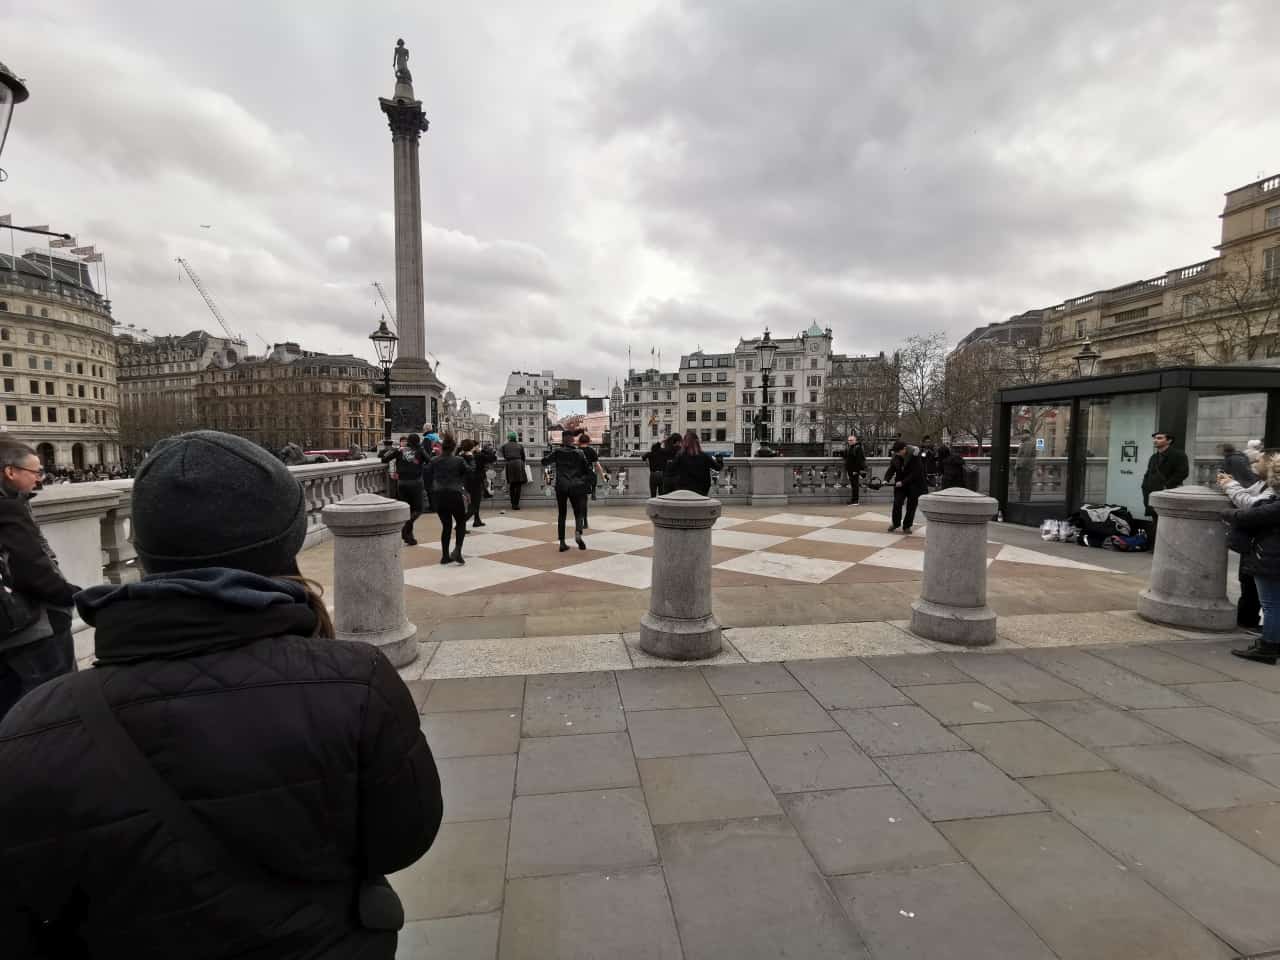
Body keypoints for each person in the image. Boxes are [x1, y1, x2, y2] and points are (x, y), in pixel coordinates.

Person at [0, 430, 442, 957]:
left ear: (142, 544)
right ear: (290, 540)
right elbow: (403, 836)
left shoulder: (33, 725)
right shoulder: (356, 681)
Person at [0, 440, 81, 721]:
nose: (40, 477)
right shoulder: (8, 510)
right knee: (55, 706)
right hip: (29, 627)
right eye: (34, 471)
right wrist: (71, 596)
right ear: (10, 471)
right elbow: (33, 570)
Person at [1223, 456, 1280, 664]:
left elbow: (1249, 516)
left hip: (1271, 556)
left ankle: (1269, 647)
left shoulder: (1276, 504)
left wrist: (1227, 512)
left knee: (1271, 604)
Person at [424, 432, 473, 565]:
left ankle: (445, 556)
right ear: (453, 448)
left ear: (443, 447)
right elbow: (470, 471)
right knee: (461, 523)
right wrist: (470, 458)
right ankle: (457, 550)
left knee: (446, 526)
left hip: (439, 495)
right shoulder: (459, 460)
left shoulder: (434, 460)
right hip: (455, 494)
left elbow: (427, 475)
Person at [542, 431, 591, 551]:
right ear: (573, 440)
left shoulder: (557, 452)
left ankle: (562, 543)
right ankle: (578, 532)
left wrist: (551, 451)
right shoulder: (579, 452)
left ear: (563, 440)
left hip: (561, 486)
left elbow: (544, 462)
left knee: (562, 514)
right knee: (578, 512)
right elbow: (586, 469)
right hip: (576, 485)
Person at [1142, 431, 1190, 545]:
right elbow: (1148, 474)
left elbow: (1183, 473)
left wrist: (1166, 486)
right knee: (1156, 520)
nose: (1155, 440)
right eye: (1154, 438)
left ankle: (1167, 546)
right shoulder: (1154, 457)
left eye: (1159, 438)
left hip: (1168, 492)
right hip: (1152, 493)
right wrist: (1145, 487)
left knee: (1168, 522)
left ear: (1169, 440)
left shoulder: (1179, 455)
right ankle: (1156, 546)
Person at [379, 434, 427, 546]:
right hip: (416, 483)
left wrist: (392, 450)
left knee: (407, 509)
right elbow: (429, 461)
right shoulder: (420, 450)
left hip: (402, 483)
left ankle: (409, 537)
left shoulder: (400, 450)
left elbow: (384, 459)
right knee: (419, 509)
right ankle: (406, 527)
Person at [884, 439, 927, 534]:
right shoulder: (896, 456)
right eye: (896, 452)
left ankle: (907, 526)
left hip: (914, 484)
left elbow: (916, 473)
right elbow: (891, 469)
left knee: (911, 506)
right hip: (900, 484)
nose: (897, 453)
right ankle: (895, 523)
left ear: (904, 449)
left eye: (898, 451)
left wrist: (903, 482)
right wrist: (886, 479)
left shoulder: (915, 456)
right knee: (897, 503)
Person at [664, 430, 725, 496]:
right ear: (697, 442)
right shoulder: (704, 456)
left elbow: (670, 470)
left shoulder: (680, 456)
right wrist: (719, 459)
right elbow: (718, 467)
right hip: (701, 491)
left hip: (684, 490)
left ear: (685, 442)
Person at [459, 439, 496, 529]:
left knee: (472, 503)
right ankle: (461, 524)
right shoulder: (478, 455)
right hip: (476, 481)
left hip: (465, 482)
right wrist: (483, 451)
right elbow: (492, 458)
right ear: (473, 447)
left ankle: (477, 519)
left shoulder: (461, 456)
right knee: (475, 504)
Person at [577, 433, 607, 528]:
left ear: (579, 442)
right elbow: (597, 465)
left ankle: (581, 521)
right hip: (588, 477)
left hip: (578, 478)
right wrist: (603, 477)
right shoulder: (591, 451)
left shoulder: (576, 451)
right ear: (588, 442)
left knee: (579, 501)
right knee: (584, 500)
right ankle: (585, 521)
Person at [500, 432, 528, 509]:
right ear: (515, 438)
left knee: (512, 485)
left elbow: (504, 455)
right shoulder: (520, 445)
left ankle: (513, 503)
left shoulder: (504, 446)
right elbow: (523, 457)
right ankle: (516, 504)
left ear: (509, 438)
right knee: (518, 485)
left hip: (510, 464)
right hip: (519, 464)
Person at [842, 434, 867, 505]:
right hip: (850, 470)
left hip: (854, 470)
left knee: (855, 485)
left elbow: (859, 460)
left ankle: (855, 501)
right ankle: (853, 500)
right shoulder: (850, 447)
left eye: (851, 440)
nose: (850, 441)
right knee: (853, 485)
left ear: (855, 440)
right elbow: (846, 456)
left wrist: (856, 470)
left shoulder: (858, 448)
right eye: (849, 440)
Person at [1014, 430, 1037, 501]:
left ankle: (1024, 500)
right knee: (1025, 485)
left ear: (1026, 434)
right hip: (1028, 467)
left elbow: (1026, 456)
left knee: (1024, 485)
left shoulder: (1028, 443)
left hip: (1025, 468)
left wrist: (1018, 465)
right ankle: (1025, 499)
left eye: (1022, 434)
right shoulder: (1028, 442)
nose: (1021, 436)